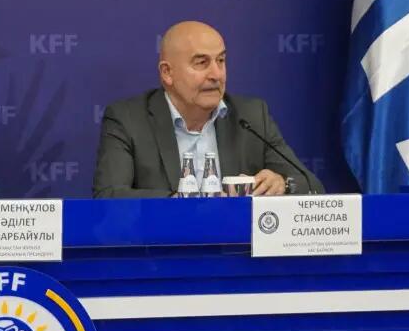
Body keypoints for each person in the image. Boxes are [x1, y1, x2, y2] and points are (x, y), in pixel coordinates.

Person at [93, 21, 324, 198]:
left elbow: (311, 185)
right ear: (167, 73)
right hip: (163, 246)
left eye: (221, 61)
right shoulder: (128, 119)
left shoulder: (251, 116)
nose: (216, 74)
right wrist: (186, 204)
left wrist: (283, 184)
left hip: (237, 246)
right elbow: (109, 196)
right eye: (201, 63)